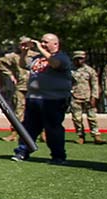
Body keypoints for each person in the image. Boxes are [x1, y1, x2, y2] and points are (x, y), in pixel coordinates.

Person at [14, 34, 73, 163]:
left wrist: (41, 49)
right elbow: (24, 65)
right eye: (42, 42)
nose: (43, 44)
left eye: (46, 42)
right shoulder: (37, 58)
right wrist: (24, 52)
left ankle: (58, 156)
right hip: (34, 98)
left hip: (53, 99)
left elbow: (55, 64)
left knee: (53, 128)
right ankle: (22, 151)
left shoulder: (62, 57)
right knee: (29, 127)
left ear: (55, 44)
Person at [0, 37, 35, 141]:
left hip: (35, 88)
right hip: (21, 87)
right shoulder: (14, 56)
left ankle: (44, 134)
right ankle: (14, 133)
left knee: (38, 110)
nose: (24, 46)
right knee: (18, 111)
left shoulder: (36, 56)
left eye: (26, 44)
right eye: (22, 44)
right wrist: (10, 75)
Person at [69, 50, 103, 145]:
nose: (79, 61)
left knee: (92, 117)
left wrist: (94, 97)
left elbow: (95, 84)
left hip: (88, 97)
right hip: (75, 97)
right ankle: (80, 136)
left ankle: (96, 135)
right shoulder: (70, 70)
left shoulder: (90, 70)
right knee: (77, 118)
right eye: (77, 59)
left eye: (81, 58)